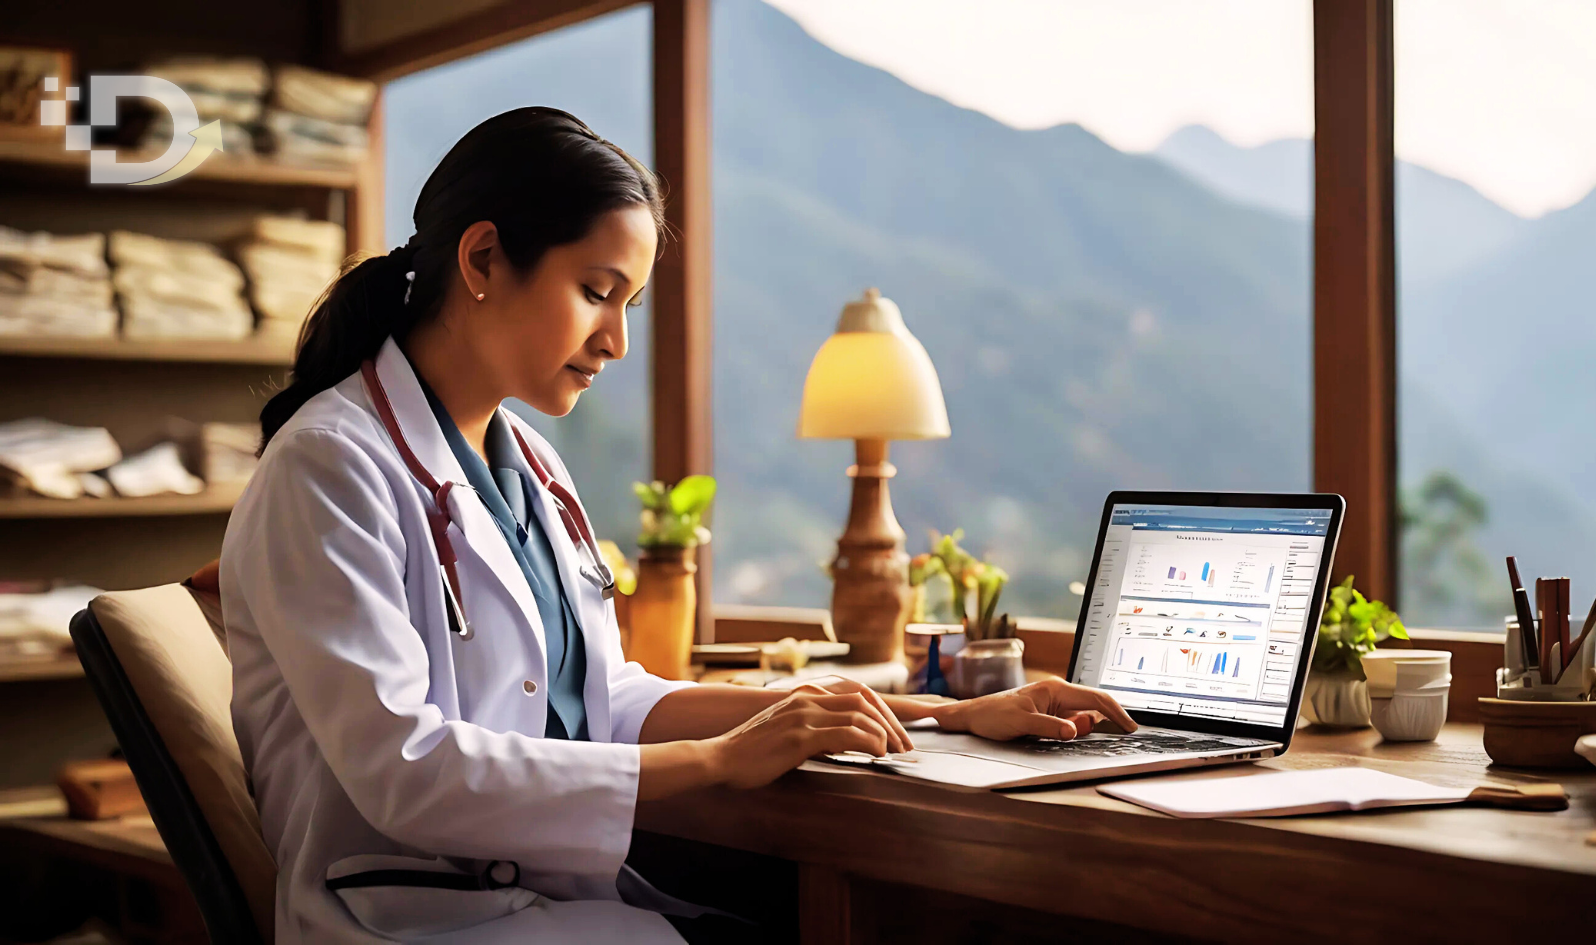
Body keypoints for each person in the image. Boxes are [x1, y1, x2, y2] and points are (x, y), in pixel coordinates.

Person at [221, 106, 1134, 944]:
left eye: (630, 304)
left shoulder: (530, 467)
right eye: (596, 290)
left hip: (537, 901)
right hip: (404, 919)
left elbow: (610, 702)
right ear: (484, 260)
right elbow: (406, 771)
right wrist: (718, 760)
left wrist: (943, 715)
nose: (616, 340)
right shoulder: (329, 466)